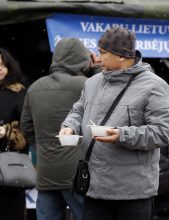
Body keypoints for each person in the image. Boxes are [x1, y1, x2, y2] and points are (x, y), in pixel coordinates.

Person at [59, 27, 169, 220]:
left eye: (103, 52)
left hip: (133, 194)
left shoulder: (155, 86)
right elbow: (78, 111)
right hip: (94, 188)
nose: (98, 57)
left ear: (122, 56)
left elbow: (162, 133)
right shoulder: (92, 82)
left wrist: (121, 134)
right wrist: (69, 126)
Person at [20, 38, 100, 220]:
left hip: (47, 172)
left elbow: (26, 127)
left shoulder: (34, 88)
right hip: (79, 174)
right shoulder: (87, 85)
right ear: (82, 58)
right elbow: (106, 106)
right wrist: (95, 69)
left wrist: (43, 146)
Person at [0, 48, 27, 220]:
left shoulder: (18, 93)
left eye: (3, 64)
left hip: (9, 169)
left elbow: (28, 130)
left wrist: (7, 132)